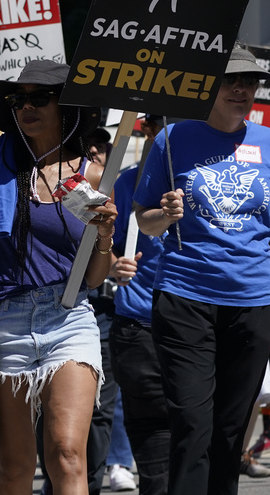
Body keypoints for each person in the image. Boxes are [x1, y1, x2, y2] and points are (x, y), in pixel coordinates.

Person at [133, 45, 270, 495]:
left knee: (230, 429)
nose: (241, 89)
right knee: (192, 423)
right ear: (208, 85)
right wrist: (166, 215)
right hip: (185, 298)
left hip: (252, 303)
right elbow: (144, 221)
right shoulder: (172, 139)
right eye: (230, 80)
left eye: (250, 82)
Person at [0, 60, 117, 495]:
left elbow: (95, 274)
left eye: (39, 98)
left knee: (67, 453)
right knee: (12, 467)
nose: (25, 107)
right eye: (18, 99)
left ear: (66, 105)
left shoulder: (90, 176)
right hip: (7, 318)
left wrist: (104, 236)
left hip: (69, 316)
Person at [107, 113, 168, 495]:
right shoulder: (125, 181)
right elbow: (99, 249)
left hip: (197, 321)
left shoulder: (205, 179)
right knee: (151, 433)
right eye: (162, 124)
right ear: (147, 129)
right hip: (138, 323)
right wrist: (114, 265)